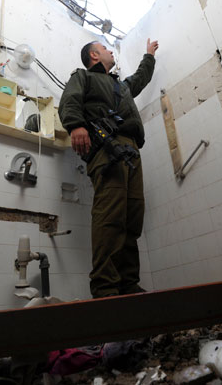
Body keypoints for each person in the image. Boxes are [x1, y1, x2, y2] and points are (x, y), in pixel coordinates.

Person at [59, 38, 159, 298]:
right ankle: (105, 287)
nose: (111, 51)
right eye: (105, 48)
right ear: (94, 55)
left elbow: (140, 78)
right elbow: (69, 100)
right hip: (107, 149)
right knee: (111, 216)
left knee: (132, 217)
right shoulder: (83, 77)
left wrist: (149, 55)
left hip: (131, 150)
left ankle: (128, 283)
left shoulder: (121, 86)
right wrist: (76, 125)